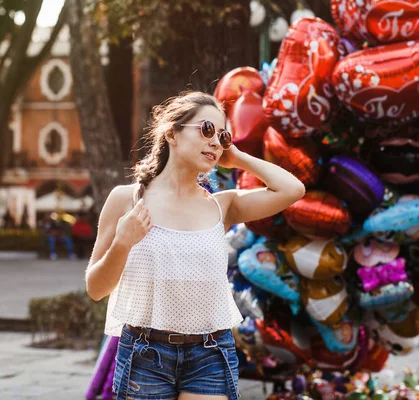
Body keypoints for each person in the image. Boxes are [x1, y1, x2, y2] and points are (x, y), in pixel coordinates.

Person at [85, 91, 305, 400]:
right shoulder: (127, 200)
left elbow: (293, 189)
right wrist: (123, 242)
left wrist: (236, 157)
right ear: (173, 132)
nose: (215, 141)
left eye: (222, 135)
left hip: (210, 354)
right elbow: (96, 288)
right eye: (206, 129)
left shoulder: (222, 206)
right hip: (145, 355)